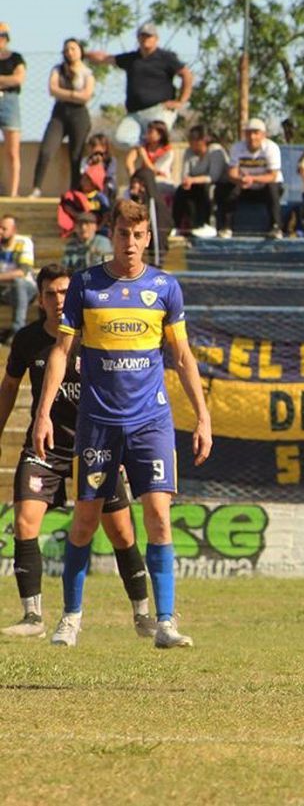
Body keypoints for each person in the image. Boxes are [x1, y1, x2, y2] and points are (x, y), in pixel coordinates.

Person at [33, 199, 211, 649]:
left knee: (157, 518)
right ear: (109, 235)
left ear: (148, 238)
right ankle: (71, 618)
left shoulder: (165, 288)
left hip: (151, 421)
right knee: (84, 523)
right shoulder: (87, 286)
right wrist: (43, 413)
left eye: (137, 235)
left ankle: (165, 622)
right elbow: (61, 352)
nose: (129, 242)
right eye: (121, 234)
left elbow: (183, 357)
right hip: (98, 423)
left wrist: (203, 417)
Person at [0, 265, 154, 639]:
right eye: (50, 294)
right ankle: (33, 616)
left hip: (97, 445)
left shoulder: (96, 336)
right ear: (39, 299)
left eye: (64, 292)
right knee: (25, 521)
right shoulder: (27, 341)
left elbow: (122, 392)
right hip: (46, 446)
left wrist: (123, 445)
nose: (57, 300)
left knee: (121, 532)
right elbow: (8, 389)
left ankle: (144, 613)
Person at [85, 23, 192, 148]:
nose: (145, 39)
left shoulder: (166, 58)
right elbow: (105, 58)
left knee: (156, 140)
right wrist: (82, 54)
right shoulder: (132, 58)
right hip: (135, 114)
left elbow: (186, 75)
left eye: (149, 36)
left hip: (158, 110)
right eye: (142, 36)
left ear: (156, 39)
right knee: (122, 140)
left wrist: (181, 101)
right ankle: (142, 149)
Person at [31, 38, 95, 197]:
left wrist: (66, 94)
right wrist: (74, 94)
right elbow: (52, 89)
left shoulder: (87, 72)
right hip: (59, 113)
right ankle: (36, 188)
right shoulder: (58, 69)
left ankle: (74, 192)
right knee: (46, 150)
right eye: (67, 49)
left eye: (73, 48)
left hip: (79, 115)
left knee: (76, 155)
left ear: (80, 51)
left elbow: (86, 95)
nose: (70, 52)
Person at [217, 117, 283, 239]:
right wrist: (240, 180)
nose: (252, 137)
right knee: (226, 187)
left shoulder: (272, 148)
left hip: (265, 187)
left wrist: (252, 179)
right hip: (245, 187)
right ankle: (226, 226)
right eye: (249, 133)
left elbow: (273, 176)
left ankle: (276, 227)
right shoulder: (237, 148)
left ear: (263, 135)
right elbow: (232, 173)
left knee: (273, 188)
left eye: (256, 133)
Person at [174, 124, 227, 238]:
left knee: (206, 190)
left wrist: (193, 180)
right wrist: (187, 181)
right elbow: (185, 173)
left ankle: (206, 224)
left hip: (215, 184)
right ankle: (177, 226)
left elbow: (214, 176)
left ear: (203, 140)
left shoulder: (215, 150)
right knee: (181, 191)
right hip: (194, 183)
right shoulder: (189, 152)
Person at [0, 23, 26, 197]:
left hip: (9, 101)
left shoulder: (15, 57)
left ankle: (13, 192)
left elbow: (18, 78)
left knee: (12, 151)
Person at [0, 214, 37, 333]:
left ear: (14, 230)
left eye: (4, 229)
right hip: (4, 290)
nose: (0, 231)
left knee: (18, 282)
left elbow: (22, 271)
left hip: (27, 288)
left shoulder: (24, 242)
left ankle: (17, 330)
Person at [123, 119, 175, 193]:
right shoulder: (144, 145)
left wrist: (144, 156)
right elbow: (129, 161)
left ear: (160, 135)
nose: (147, 135)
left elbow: (155, 171)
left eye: (150, 132)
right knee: (127, 192)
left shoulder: (168, 151)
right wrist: (133, 178)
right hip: (143, 179)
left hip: (161, 180)